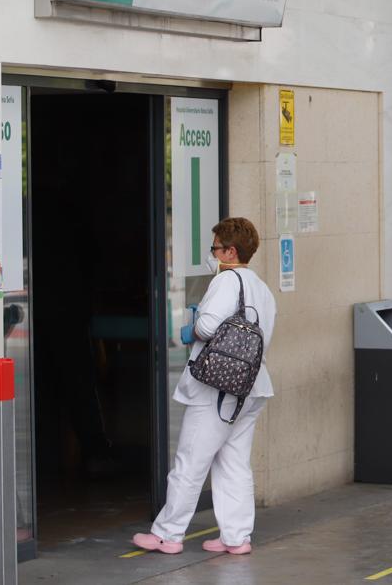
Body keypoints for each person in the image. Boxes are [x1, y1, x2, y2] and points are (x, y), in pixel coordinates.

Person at [132, 217, 276, 555]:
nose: (211, 255)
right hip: (251, 387)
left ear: (230, 251)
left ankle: (168, 534)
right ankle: (236, 536)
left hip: (217, 388)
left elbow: (209, 325)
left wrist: (192, 327)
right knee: (234, 462)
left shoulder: (227, 281)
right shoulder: (262, 289)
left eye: (214, 249)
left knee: (190, 462)